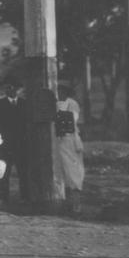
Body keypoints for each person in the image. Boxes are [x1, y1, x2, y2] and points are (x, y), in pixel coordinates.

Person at [0, 79, 28, 205]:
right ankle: (4, 198)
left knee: (23, 172)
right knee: (4, 172)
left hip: (21, 145)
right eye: (7, 87)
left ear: (18, 89)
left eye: (13, 87)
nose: (10, 90)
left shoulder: (25, 104)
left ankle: (24, 197)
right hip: (5, 145)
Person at [53, 85, 85, 213]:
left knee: (74, 172)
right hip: (57, 141)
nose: (60, 93)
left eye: (62, 91)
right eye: (58, 91)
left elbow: (70, 121)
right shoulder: (54, 104)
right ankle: (61, 203)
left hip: (70, 140)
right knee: (58, 171)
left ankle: (76, 204)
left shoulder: (72, 104)